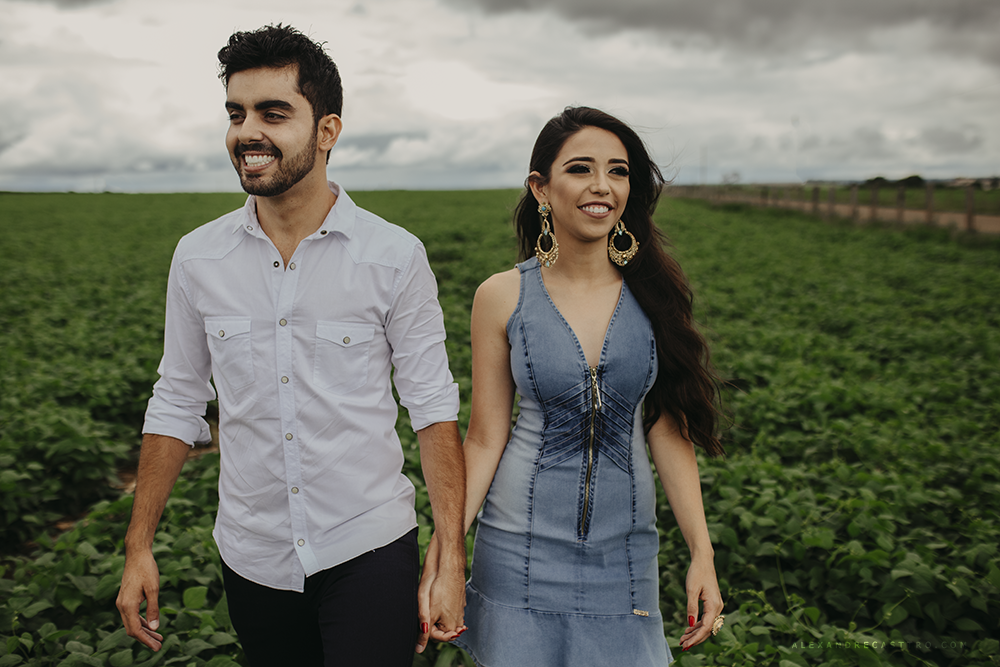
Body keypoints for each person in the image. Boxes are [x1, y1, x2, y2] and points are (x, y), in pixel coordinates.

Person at [115, 24, 466, 666]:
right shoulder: (198, 258)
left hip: (368, 544)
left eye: (273, 113)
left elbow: (433, 407)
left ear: (327, 130)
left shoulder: (393, 257)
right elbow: (177, 399)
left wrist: (450, 557)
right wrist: (139, 543)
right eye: (236, 113)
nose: (248, 132)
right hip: (252, 553)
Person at [449, 107, 725, 665]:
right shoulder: (502, 296)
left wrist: (702, 551)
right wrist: (446, 551)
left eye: (619, 171)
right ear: (541, 188)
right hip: (517, 554)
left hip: (624, 562)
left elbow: (668, 427)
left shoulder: (654, 296)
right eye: (581, 169)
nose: (603, 186)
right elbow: (484, 436)